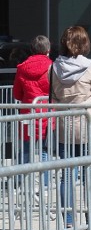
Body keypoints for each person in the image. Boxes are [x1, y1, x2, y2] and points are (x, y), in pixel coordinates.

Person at [50, 26, 91, 228]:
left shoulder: (55, 67)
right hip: (88, 125)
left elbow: (53, 97)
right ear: (84, 43)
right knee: (89, 173)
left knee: (67, 175)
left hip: (66, 125)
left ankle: (68, 221)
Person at [13, 35, 53, 168]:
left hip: (28, 113)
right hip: (47, 114)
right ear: (48, 49)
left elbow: (17, 94)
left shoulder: (22, 68)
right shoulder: (52, 67)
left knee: (25, 149)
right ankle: (45, 185)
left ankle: (20, 181)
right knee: (45, 150)